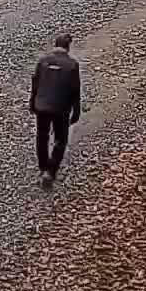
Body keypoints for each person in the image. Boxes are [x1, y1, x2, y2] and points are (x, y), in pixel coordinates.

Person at [29, 33, 82, 188]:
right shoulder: (72, 64)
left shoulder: (43, 61)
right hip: (61, 108)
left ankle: (43, 167)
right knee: (61, 139)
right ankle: (51, 170)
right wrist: (76, 111)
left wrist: (32, 102)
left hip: (42, 106)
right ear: (68, 47)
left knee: (42, 137)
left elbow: (35, 83)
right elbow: (75, 90)